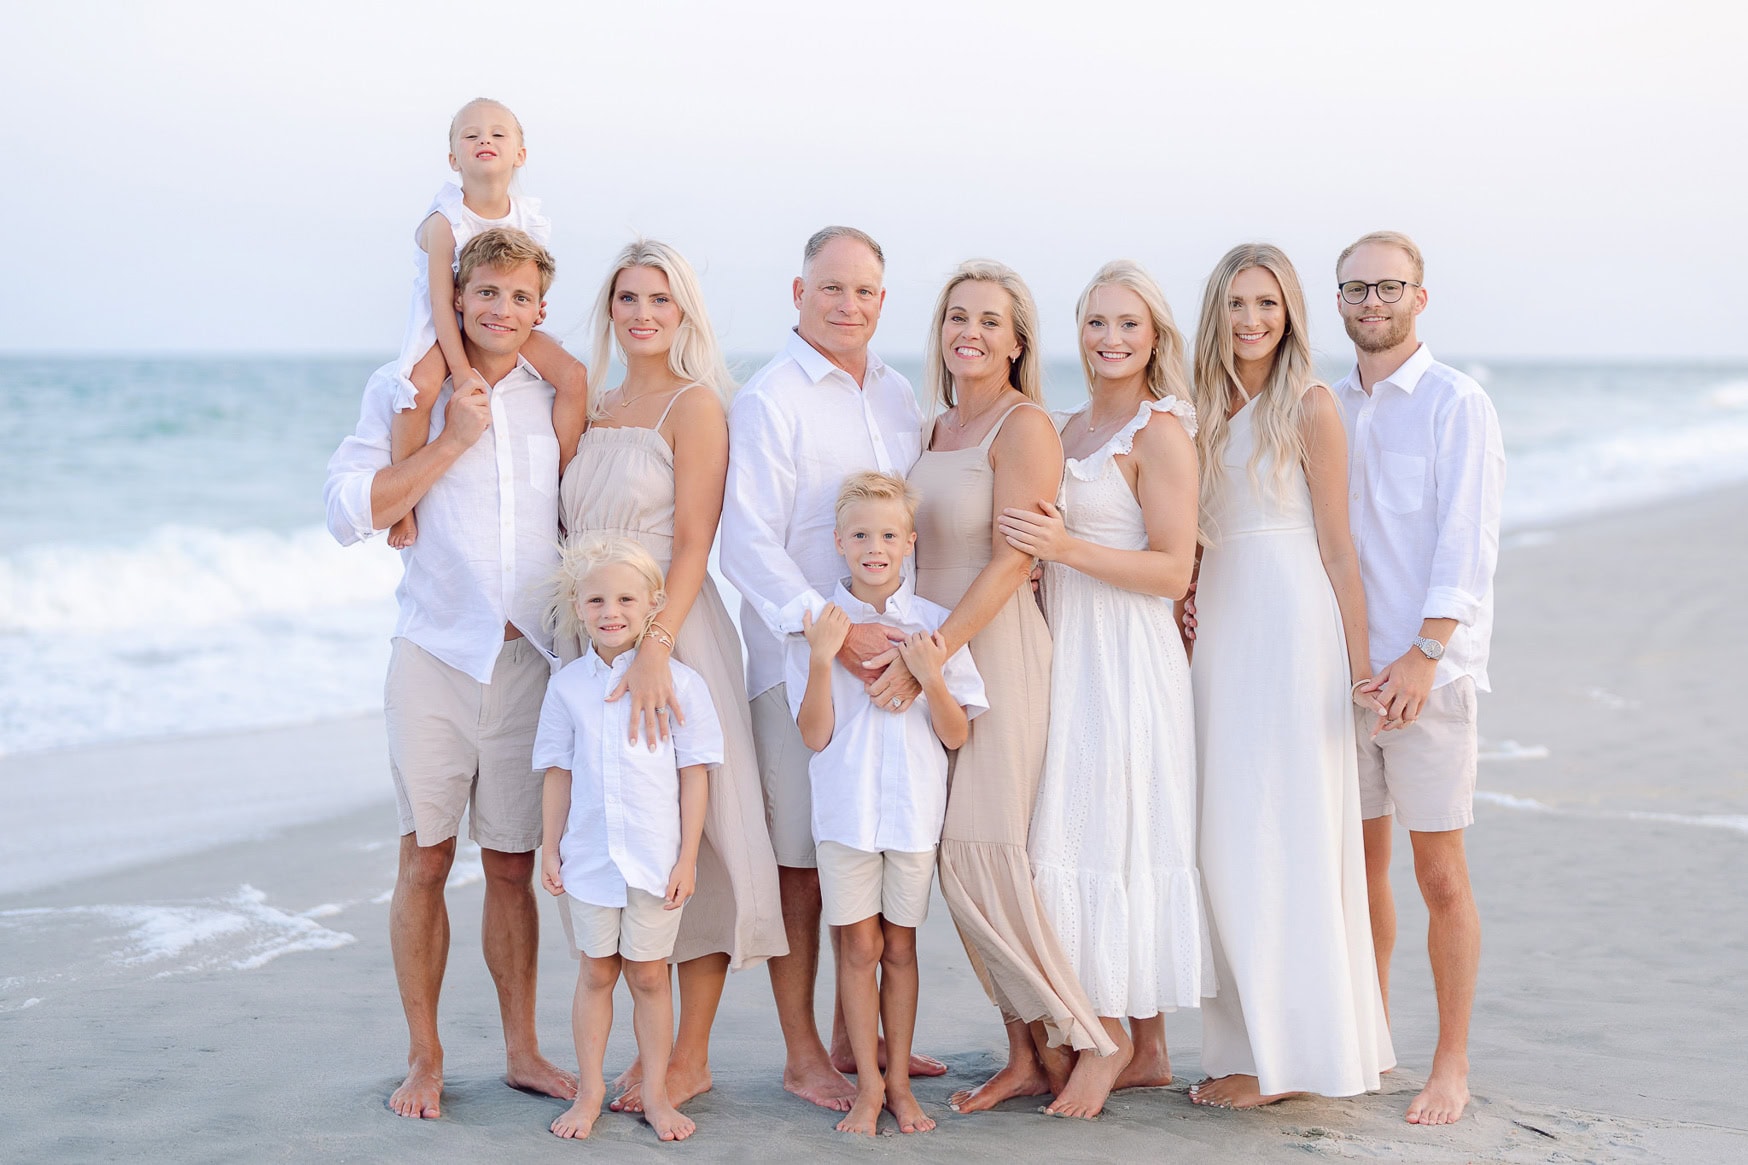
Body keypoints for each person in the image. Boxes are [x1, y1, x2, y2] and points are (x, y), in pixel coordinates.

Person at [321, 227, 577, 1119]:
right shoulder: (409, 392)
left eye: (520, 297)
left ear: (540, 310)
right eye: (486, 293)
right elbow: (348, 510)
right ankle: (424, 1058)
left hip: (529, 660)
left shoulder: (559, 395)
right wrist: (447, 443)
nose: (502, 310)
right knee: (425, 857)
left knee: (511, 864)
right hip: (433, 655)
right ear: (457, 299)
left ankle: (522, 1050)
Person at [557, 239, 785, 1115]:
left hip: (674, 636)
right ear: (609, 307)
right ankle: (639, 1053)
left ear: (684, 311)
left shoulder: (696, 407)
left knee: (703, 840)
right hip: (597, 639)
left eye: (660, 298)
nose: (643, 313)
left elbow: (694, 541)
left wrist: (656, 643)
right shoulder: (597, 401)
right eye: (627, 297)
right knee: (621, 830)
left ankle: (688, 1057)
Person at [720, 227, 937, 1110]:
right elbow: (747, 541)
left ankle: (862, 1038)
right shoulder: (770, 398)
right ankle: (804, 1048)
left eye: (867, 292)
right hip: (802, 665)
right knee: (804, 860)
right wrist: (831, 628)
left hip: (894, 674)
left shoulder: (898, 396)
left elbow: (904, 531)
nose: (850, 305)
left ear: (884, 300)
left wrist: (910, 649)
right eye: (833, 288)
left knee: (877, 843)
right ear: (799, 291)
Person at [1183, 243, 1396, 1109]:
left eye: (1267, 303)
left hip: (1292, 626)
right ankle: (1247, 1042)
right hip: (1221, 630)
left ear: (1291, 313)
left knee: (1292, 836)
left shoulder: (1308, 405)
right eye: (1236, 303)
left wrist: (1361, 670)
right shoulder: (1194, 405)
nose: (1250, 320)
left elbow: (1341, 549)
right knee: (1226, 835)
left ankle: (1290, 1060)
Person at [998, 260, 1207, 1118]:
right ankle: (1146, 1048)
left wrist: (1066, 550)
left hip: (1128, 656)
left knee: (1116, 831)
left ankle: (1107, 1036)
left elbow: (1171, 569)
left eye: (1128, 324)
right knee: (1083, 824)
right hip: (1068, 649)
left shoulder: (1161, 431)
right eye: (1095, 323)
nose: (1111, 340)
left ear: (1155, 336)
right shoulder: (1065, 424)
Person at [908, 260, 1116, 1116]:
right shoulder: (932, 430)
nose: (972, 331)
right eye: (959, 315)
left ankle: (1095, 1035)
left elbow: (1015, 558)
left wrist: (939, 647)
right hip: (930, 654)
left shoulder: (1025, 425)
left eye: (992, 320)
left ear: (1019, 340)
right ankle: (1025, 1053)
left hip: (993, 647)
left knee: (980, 852)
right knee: (950, 858)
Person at [1333, 231, 1505, 1126]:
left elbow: (1464, 545)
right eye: (1355, 288)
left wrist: (1423, 656)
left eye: (1388, 287)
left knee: (1439, 873)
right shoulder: (1325, 404)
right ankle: (1372, 1037)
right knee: (1360, 871)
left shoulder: (1455, 403)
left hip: (1427, 680)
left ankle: (1451, 1062)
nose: (1372, 302)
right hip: (1344, 681)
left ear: (1420, 297)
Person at [789, 472, 988, 1136]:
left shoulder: (934, 626)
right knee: (857, 945)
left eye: (888, 535)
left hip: (910, 813)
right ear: (839, 542)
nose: (875, 547)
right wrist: (822, 660)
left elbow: (956, 733)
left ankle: (901, 1082)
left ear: (909, 542)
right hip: (845, 813)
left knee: (900, 946)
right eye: (861, 535)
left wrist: (931, 677)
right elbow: (814, 735)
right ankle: (867, 1087)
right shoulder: (821, 625)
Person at [536, 536, 719, 1142]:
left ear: (652, 604)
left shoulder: (684, 686)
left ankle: (658, 1095)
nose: (610, 611)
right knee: (595, 971)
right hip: (589, 857)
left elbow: (694, 776)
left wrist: (688, 858)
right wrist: (550, 844)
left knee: (647, 975)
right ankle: (590, 1093)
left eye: (624, 598)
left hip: (654, 858)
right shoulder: (566, 688)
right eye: (595, 600)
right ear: (578, 606)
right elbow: (558, 771)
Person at [383, 97, 587, 548]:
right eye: (471, 135)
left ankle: (566, 494)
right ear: (454, 158)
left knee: (573, 375)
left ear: (520, 154)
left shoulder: (528, 218)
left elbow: (532, 277)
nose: (484, 140)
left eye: (498, 134)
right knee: (418, 390)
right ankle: (404, 507)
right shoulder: (445, 222)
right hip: (446, 319)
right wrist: (461, 372)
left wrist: (532, 306)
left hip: (500, 316)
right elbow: (441, 303)